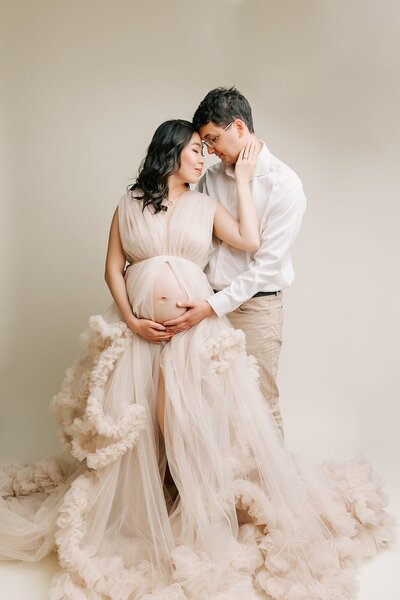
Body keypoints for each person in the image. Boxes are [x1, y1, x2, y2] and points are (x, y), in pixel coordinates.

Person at [0, 120, 394, 600]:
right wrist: (132, 320)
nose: (203, 157)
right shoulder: (128, 204)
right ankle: (146, 518)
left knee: (185, 422)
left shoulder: (206, 204)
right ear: (171, 153)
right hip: (140, 334)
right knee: (140, 428)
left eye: (205, 148)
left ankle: (200, 518)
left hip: (194, 329)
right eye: (194, 149)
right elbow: (112, 268)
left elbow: (250, 240)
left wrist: (244, 183)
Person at [164, 87, 306, 437]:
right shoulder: (209, 179)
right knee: (207, 403)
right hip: (204, 302)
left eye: (213, 139)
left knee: (260, 404)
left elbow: (267, 266)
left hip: (256, 310)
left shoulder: (285, 184)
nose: (209, 151)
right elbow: (194, 237)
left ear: (239, 128)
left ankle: (268, 492)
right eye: (205, 144)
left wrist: (212, 307)